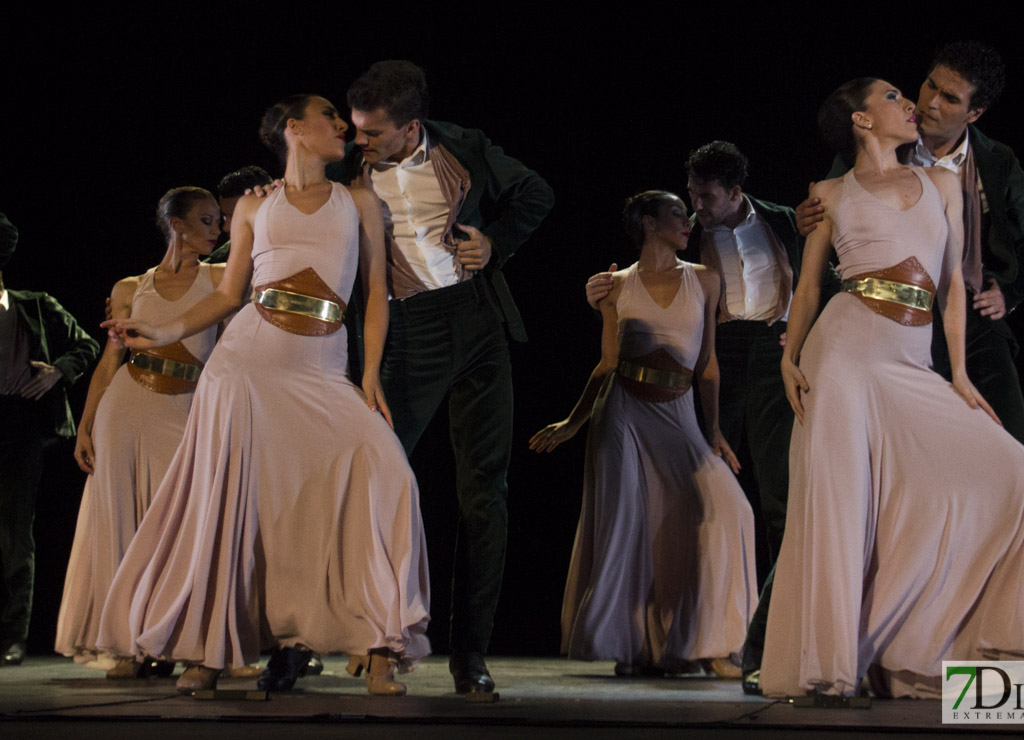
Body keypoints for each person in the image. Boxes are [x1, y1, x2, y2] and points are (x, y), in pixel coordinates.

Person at [97, 94, 430, 696]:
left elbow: (376, 292)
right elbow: (228, 295)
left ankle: (381, 644)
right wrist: (164, 330)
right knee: (232, 504)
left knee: (385, 473)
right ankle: (210, 650)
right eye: (329, 116)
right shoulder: (256, 206)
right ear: (294, 129)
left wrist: (371, 374)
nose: (341, 127)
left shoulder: (357, 200)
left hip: (322, 368)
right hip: (245, 365)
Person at [761, 78, 1024, 698]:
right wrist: (789, 360)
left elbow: (951, 287)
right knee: (843, 508)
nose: (908, 104)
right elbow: (810, 288)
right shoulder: (829, 193)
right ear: (862, 121)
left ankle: (949, 650)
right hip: (842, 356)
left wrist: (961, 376)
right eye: (893, 97)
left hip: (911, 363)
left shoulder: (944, 184)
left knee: (1015, 470)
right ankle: (830, 670)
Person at [328, 60, 554, 694]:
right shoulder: (345, 171)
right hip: (406, 332)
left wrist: (494, 241)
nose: (359, 141)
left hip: (478, 321)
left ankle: (470, 654)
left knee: (485, 494)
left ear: (412, 127)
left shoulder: (464, 144)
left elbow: (536, 192)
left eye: (372, 132)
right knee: (371, 483)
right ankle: (347, 634)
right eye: (355, 129)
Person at [584, 142, 837, 692]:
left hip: (775, 350)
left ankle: (773, 630)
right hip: (712, 356)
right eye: (690, 196)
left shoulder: (783, 221)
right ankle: (675, 633)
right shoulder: (685, 234)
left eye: (705, 197)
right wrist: (600, 292)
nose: (695, 207)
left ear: (736, 194)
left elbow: (824, 276)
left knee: (776, 494)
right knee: (691, 492)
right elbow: (645, 279)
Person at [531, 191, 757, 677]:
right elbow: (607, 363)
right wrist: (573, 422)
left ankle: (711, 642)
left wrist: (714, 430)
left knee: (728, 508)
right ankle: (639, 647)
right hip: (624, 415)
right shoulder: (614, 285)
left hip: (679, 415)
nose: (688, 221)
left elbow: (708, 365)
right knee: (634, 526)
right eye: (678, 213)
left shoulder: (705, 279)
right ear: (649, 223)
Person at [796, 41, 1024, 448]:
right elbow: (832, 220)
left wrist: (1009, 290)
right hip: (891, 320)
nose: (930, 103)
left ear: (974, 114)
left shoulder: (995, 160)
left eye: (950, 98)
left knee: (1011, 444)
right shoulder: (879, 142)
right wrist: (807, 219)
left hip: (968, 312)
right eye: (930, 85)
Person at [54, 187, 224, 677]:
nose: (217, 230)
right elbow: (110, 362)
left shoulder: (220, 279)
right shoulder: (131, 287)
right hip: (127, 407)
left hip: (189, 407)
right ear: (177, 225)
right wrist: (85, 426)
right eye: (207, 221)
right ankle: (128, 645)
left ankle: (182, 640)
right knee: (122, 523)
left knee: (181, 527)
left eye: (218, 220)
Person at [0, 212, 100, 666]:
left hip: (18, 423)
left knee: (15, 533)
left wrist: (58, 370)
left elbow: (86, 344)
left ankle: (11, 636)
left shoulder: (33, 304)